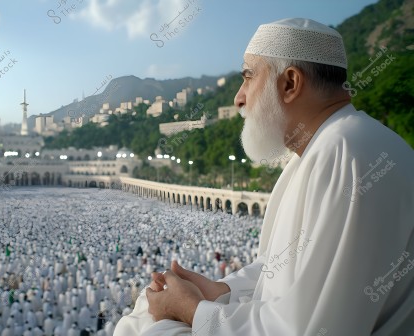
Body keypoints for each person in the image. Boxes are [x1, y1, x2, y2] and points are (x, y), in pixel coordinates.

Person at [113, 18, 414, 336]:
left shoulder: (345, 152)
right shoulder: (321, 151)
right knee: (145, 316)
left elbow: (310, 327)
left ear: (290, 84)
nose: (238, 98)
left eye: (248, 77)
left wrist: (190, 309)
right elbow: (284, 272)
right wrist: (220, 291)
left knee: (142, 327)